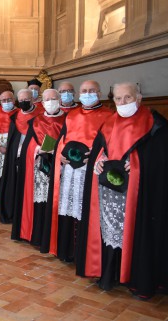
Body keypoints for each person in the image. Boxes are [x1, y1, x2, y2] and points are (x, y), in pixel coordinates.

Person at [77, 82, 168, 297]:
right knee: (110, 232)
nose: (122, 103)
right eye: (118, 99)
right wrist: (99, 161)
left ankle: (135, 277)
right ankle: (109, 272)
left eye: (127, 98)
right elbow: (100, 151)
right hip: (109, 194)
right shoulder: (109, 123)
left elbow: (160, 161)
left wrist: (137, 165)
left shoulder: (156, 125)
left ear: (139, 97)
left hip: (140, 197)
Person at [42, 80, 113, 261]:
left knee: (86, 210)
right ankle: (66, 251)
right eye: (84, 91)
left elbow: (111, 144)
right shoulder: (72, 115)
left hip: (90, 171)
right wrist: (60, 155)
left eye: (91, 91)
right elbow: (60, 140)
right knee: (67, 209)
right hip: (69, 170)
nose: (87, 94)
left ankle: (85, 255)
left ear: (99, 92)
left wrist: (97, 156)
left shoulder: (109, 115)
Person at [11, 89, 65, 246]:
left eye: (53, 98)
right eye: (47, 99)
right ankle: (37, 235)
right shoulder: (36, 121)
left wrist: (58, 151)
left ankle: (54, 239)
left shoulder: (68, 120)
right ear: (41, 101)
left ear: (59, 100)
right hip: (39, 169)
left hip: (61, 168)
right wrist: (38, 150)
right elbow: (27, 147)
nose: (50, 102)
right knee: (39, 202)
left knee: (56, 202)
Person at [0, 89, 43, 223]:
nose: (24, 102)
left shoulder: (41, 115)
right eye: (21, 100)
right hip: (16, 157)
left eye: (26, 100)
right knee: (15, 183)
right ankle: (14, 213)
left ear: (33, 99)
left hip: (35, 157)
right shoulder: (16, 117)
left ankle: (29, 216)